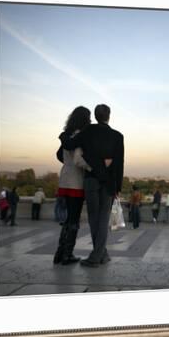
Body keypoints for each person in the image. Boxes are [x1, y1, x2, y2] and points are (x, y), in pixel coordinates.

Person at [62, 104, 124, 268]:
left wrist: (62, 135)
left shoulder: (87, 132)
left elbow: (69, 144)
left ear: (96, 116)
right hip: (109, 182)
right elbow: (119, 163)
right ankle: (101, 254)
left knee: (93, 218)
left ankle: (97, 256)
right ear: (109, 115)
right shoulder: (118, 136)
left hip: (91, 180)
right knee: (103, 219)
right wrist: (118, 187)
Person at [53, 106, 92, 265]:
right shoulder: (79, 136)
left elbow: (59, 155)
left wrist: (67, 165)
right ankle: (67, 255)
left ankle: (60, 253)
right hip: (76, 182)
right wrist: (91, 167)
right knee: (74, 220)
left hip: (64, 179)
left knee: (67, 220)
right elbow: (78, 160)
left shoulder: (67, 135)